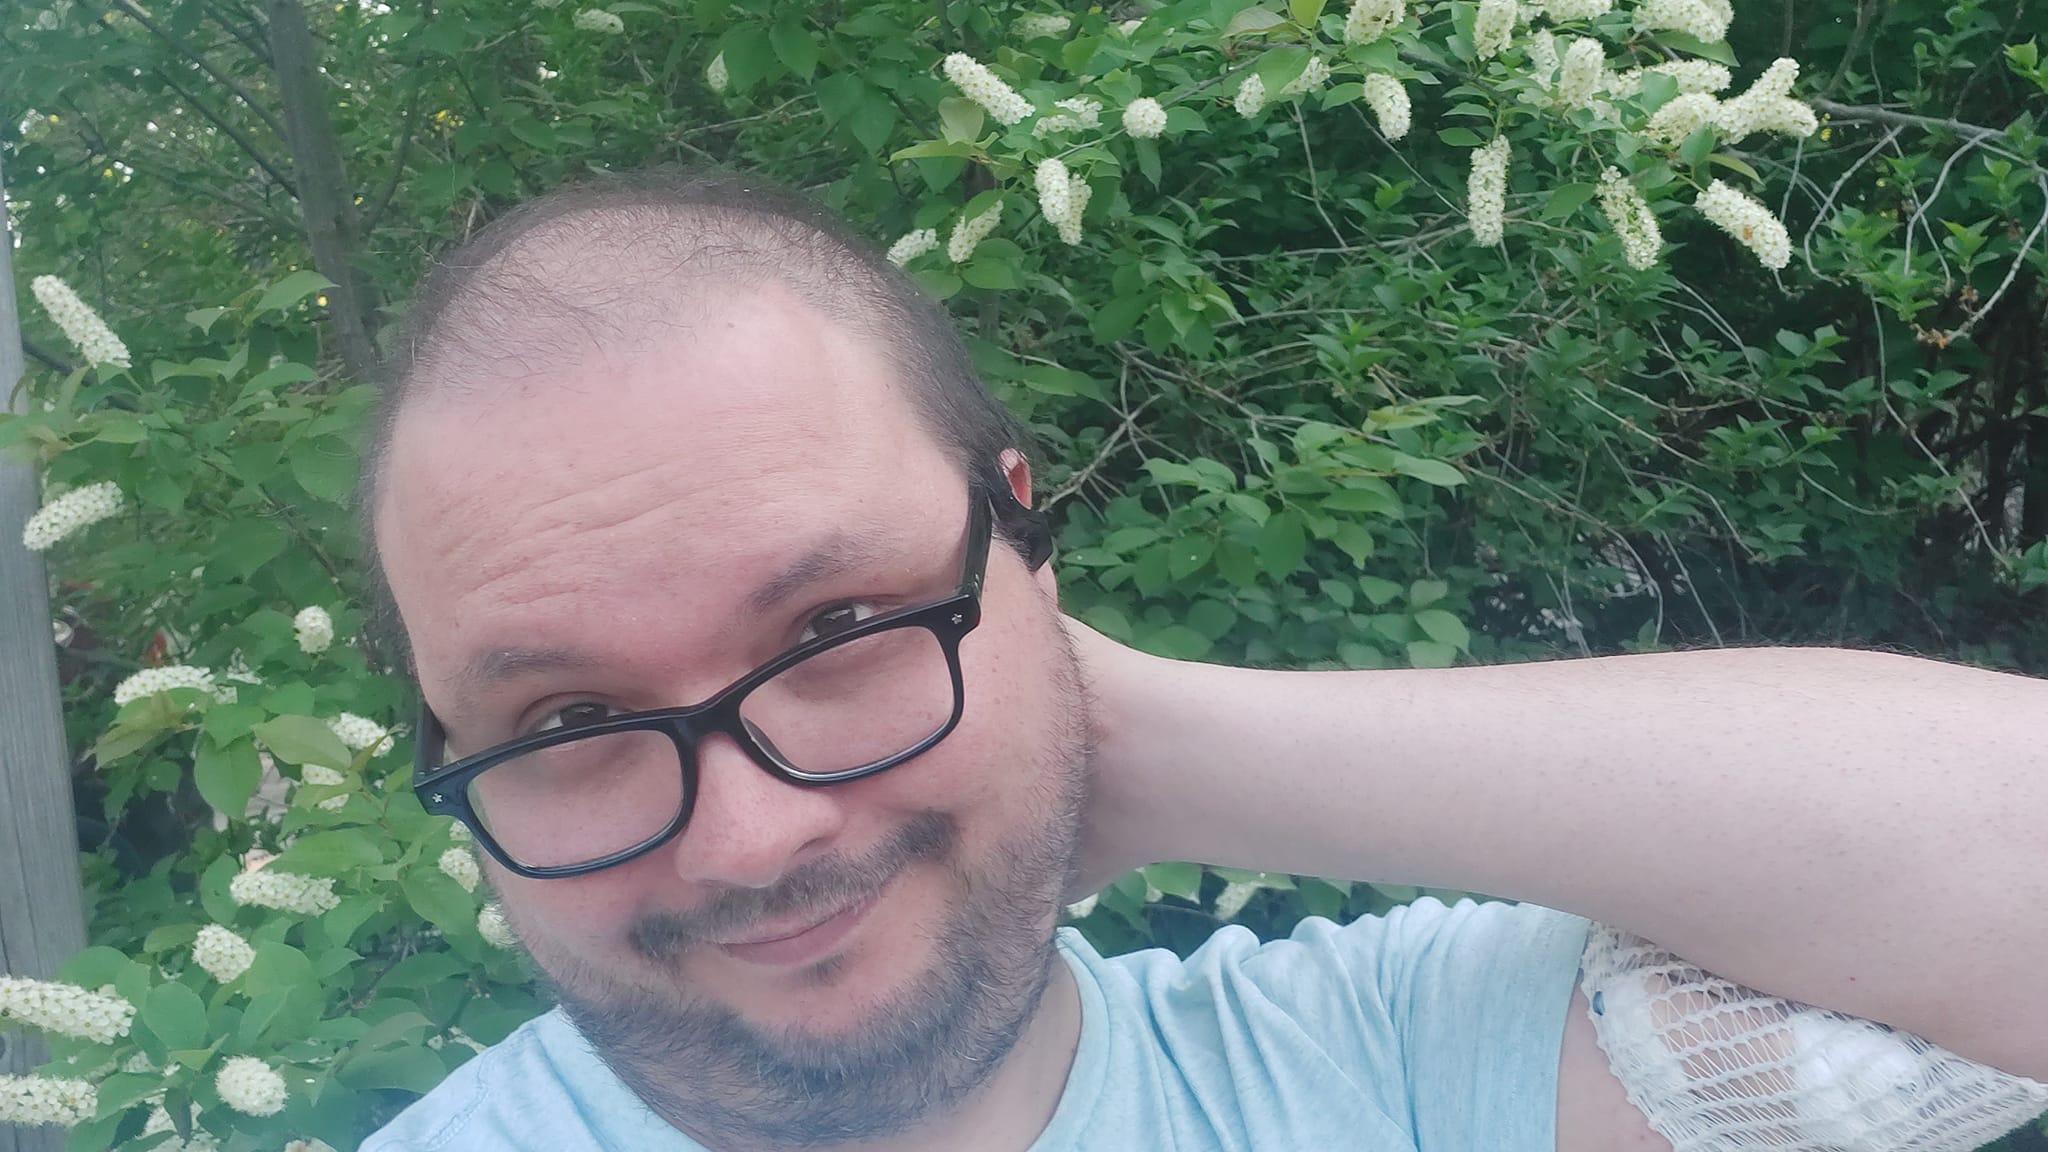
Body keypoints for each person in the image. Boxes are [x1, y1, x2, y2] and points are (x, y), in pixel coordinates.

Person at [357, 169, 2048, 1152]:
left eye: (845, 630)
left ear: (1020, 534)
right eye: (565, 721)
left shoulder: (1387, 1070)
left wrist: (1126, 740)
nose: (749, 839)